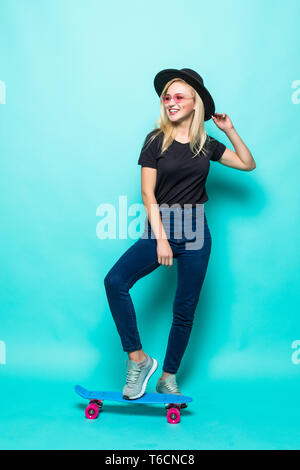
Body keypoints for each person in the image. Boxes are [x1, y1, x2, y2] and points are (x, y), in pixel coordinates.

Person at [104, 68, 256, 402]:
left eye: (178, 97)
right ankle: (138, 360)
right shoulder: (155, 139)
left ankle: (168, 378)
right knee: (115, 282)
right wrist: (160, 239)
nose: (171, 102)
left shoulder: (207, 144)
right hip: (163, 226)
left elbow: (247, 164)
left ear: (194, 103)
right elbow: (148, 194)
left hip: (197, 232)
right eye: (167, 97)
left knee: (185, 308)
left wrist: (230, 130)